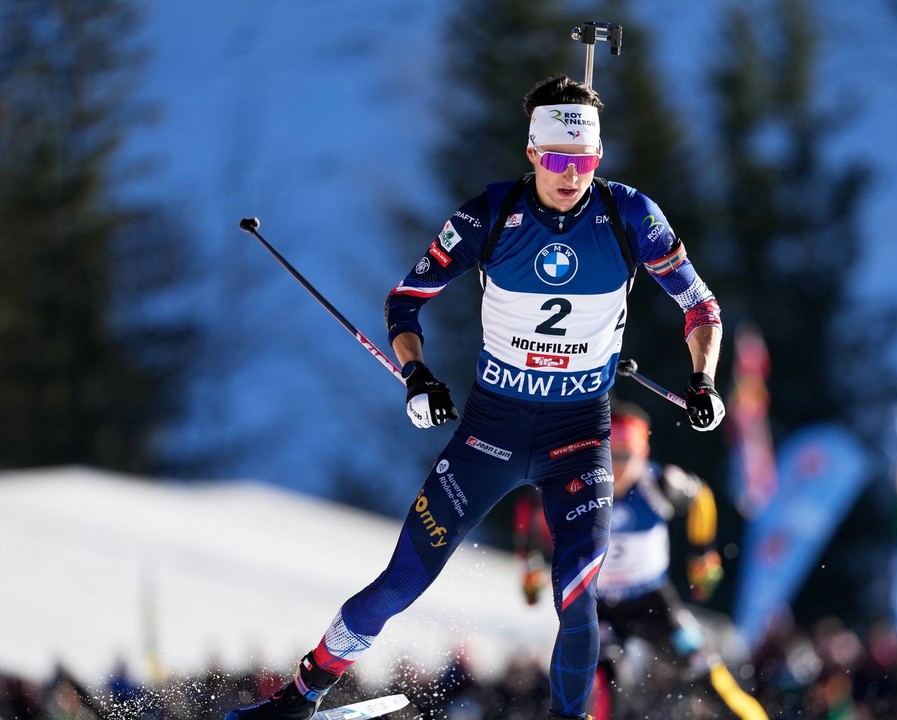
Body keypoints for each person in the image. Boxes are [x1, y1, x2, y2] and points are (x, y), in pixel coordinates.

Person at [225, 73, 725, 720]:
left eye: (584, 160)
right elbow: (407, 300)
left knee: (579, 600)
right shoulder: (488, 215)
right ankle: (301, 693)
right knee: (402, 580)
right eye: (557, 159)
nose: (571, 174)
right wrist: (417, 375)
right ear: (532, 153)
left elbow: (699, 305)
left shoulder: (629, 215)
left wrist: (703, 381)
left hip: (579, 437)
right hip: (493, 431)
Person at [589, 402, 768, 720]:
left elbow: (700, 497)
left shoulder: (658, 483)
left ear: (642, 453)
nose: (617, 467)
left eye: (626, 455)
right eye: (609, 454)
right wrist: (530, 561)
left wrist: (703, 555)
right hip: (600, 608)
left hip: (653, 602)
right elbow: (532, 503)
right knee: (603, 689)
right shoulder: (583, 483)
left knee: (711, 677)